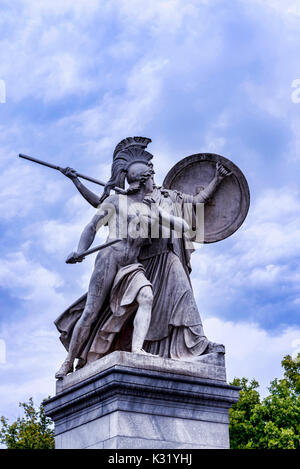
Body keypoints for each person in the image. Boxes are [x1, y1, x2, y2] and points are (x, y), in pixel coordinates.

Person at [57, 137, 230, 364]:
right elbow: (98, 212)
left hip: (159, 258)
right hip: (135, 259)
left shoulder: (166, 198)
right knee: (96, 312)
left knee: (175, 295)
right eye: (150, 173)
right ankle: (72, 360)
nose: (154, 176)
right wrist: (77, 183)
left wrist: (217, 179)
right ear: (143, 179)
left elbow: (196, 205)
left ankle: (195, 344)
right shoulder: (122, 200)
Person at [55, 159, 189, 378]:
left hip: (132, 264)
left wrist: (169, 217)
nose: (155, 183)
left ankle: (137, 349)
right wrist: (80, 250)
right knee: (90, 312)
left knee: (146, 296)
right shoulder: (117, 201)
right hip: (110, 258)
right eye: (152, 179)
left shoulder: (151, 208)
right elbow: (91, 227)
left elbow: (181, 226)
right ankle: (68, 362)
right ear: (143, 180)